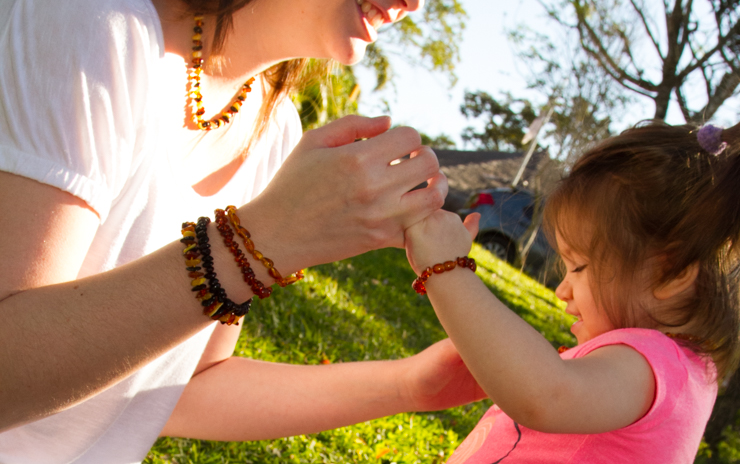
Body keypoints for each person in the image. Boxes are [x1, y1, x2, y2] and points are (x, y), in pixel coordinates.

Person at [0, 0, 486, 462]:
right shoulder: (90, 25)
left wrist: (408, 385)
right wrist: (261, 239)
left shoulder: (273, 132)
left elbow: (191, 385)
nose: (414, 3)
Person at [403, 80, 740, 463]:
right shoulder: (682, 374)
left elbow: (546, 394)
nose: (562, 289)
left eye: (578, 266)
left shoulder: (656, 363)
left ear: (670, 271)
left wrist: (448, 271)